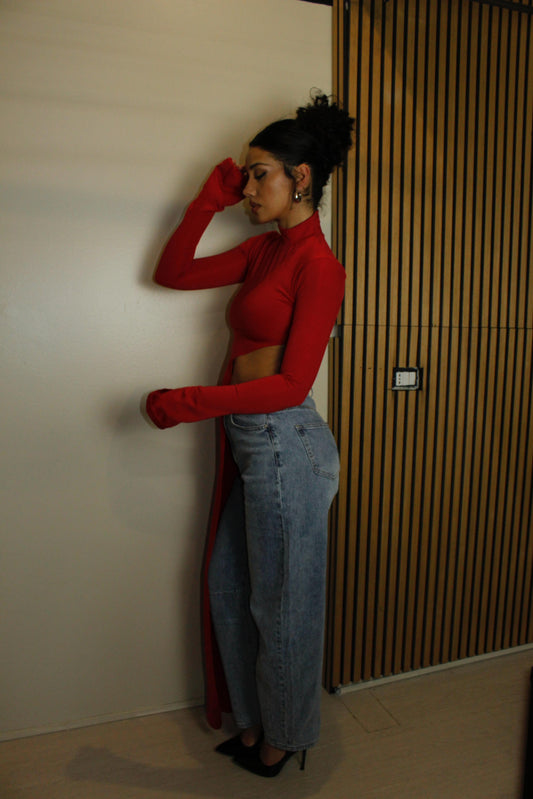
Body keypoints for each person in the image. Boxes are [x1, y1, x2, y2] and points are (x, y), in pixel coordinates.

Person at [145, 93, 354, 778]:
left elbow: (290, 385)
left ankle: (287, 736)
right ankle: (257, 718)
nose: (247, 189)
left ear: (300, 178)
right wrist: (202, 205)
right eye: (245, 175)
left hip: (287, 445)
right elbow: (172, 273)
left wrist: (190, 402)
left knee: (283, 604)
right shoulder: (265, 251)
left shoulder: (318, 265)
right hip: (255, 443)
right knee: (230, 587)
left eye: (259, 174)